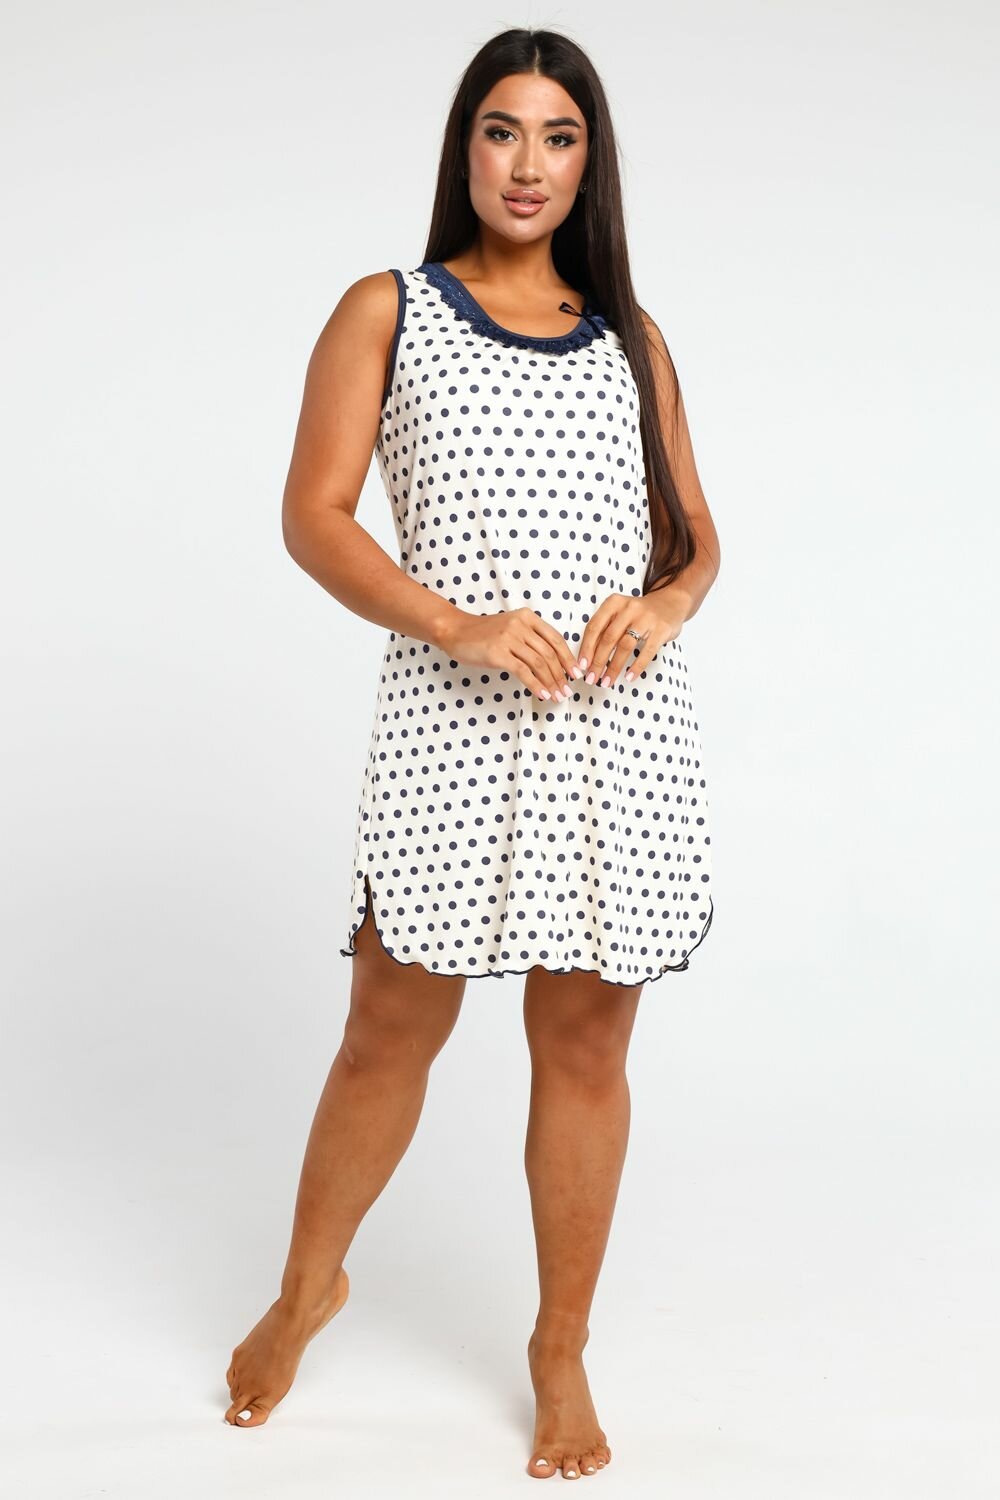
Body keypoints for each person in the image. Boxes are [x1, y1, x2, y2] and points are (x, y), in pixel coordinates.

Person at [224, 26, 721, 1482]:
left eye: (559, 138)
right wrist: (453, 621)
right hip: (451, 720)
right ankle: (306, 1286)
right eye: (503, 131)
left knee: (587, 1040)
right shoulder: (389, 309)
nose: (528, 165)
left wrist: (667, 603)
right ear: (465, 146)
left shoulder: (632, 337)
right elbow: (314, 514)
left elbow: (696, 537)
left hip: (616, 729)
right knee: (390, 1026)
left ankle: (559, 1348)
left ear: (590, 163)